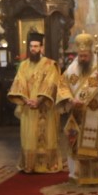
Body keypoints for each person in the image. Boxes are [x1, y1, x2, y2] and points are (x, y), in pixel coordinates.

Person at [7, 32, 70, 173]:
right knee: (29, 137)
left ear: (42, 48)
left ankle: (49, 164)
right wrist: (25, 100)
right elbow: (19, 84)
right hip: (28, 107)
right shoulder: (23, 66)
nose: (33, 49)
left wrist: (39, 100)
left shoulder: (50, 64)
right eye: (31, 46)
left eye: (36, 46)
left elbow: (51, 84)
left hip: (45, 108)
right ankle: (30, 165)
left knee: (47, 137)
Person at [62, 33, 98, 185]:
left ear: (91, 53)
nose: (83, 59)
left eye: (86, 56)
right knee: (74, 144)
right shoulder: (72, 68)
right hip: (78, 113)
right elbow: (63, 86)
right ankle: (76, 175)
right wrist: (70, 100)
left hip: (96, 113)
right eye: (81, 56)